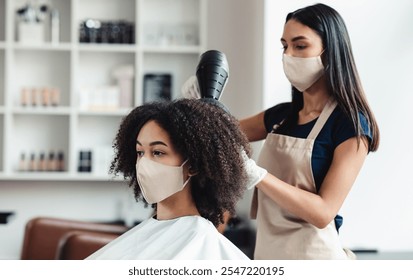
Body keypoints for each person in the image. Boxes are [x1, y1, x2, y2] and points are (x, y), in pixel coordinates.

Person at [182, 3, 380, 259]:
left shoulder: (350, 125)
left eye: (300, 45)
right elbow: (217, 136)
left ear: (330, 52)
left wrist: (258, 176)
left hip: (315, 261)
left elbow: (323, 212)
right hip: (269, 255)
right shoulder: (281, 117)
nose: (289, 55)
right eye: (285, 46)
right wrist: (198, 106)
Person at [86, 98, 251, 260]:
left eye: (158, 152)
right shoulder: (148, 231)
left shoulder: (200, 242)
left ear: (192, 165)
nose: (144, 164)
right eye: (140, 152)